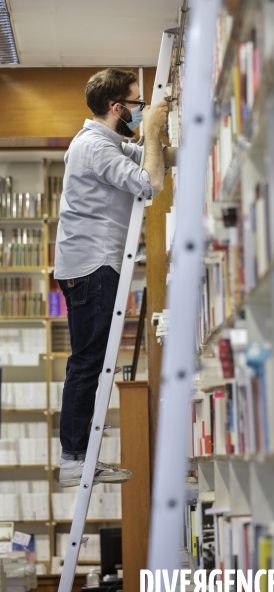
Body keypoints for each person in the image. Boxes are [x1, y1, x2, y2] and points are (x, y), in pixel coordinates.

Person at [54, 68, 176, 487]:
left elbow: (148, 158)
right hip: (93, 266)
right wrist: (155, 131)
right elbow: (152, 182)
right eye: (137, 104)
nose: (141, 111)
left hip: (90, 265)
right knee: (88, 361)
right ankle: (73, 459)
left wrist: (160, 134)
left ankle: (79, 451)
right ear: (117, 107)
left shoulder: (106, 143)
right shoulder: (95, 148)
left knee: (90, 359)